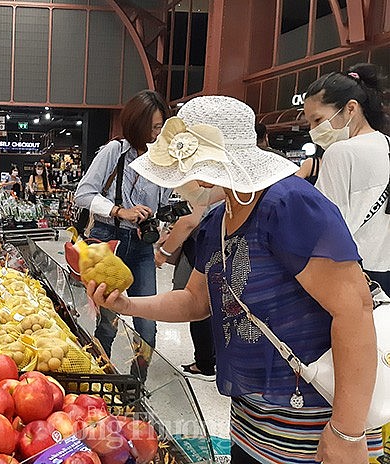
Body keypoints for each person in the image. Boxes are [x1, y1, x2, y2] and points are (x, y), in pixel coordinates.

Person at [88, 95, 381, 463]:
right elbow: (196, 300)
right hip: (251, 416)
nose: (181, 185)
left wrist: (347, 432)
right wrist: (127, 304)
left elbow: (355, 310)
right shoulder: (218, 221)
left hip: (312, 416)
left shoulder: (289, 205)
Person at [74, 90, 171, 353]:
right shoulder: (114, 151)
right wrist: (120, 211)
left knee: (148, 321)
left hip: (141, 247)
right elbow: (83, 195)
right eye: (153, 127)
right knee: (108, 319)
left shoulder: (161, 160)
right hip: (109, 241)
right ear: (136, 124)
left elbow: (161, 206)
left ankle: (138, 386)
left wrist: (156, 224)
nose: (157, 134)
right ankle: (101, 376)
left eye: (161, 126)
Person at [303, 63, 390, 293]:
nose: (312, 131)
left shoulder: (340, 152)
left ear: (351, 109)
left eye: (318, 120)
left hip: (355, 273)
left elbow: (327, 225)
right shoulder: (387, 144)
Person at [154, 187, 225, 381]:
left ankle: (204, 365)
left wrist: (164, 252)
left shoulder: (204, 183)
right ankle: (216, 360)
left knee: (197, 304)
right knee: (215, 306)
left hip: (203, 246)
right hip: (224, 247)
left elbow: (189, 221)